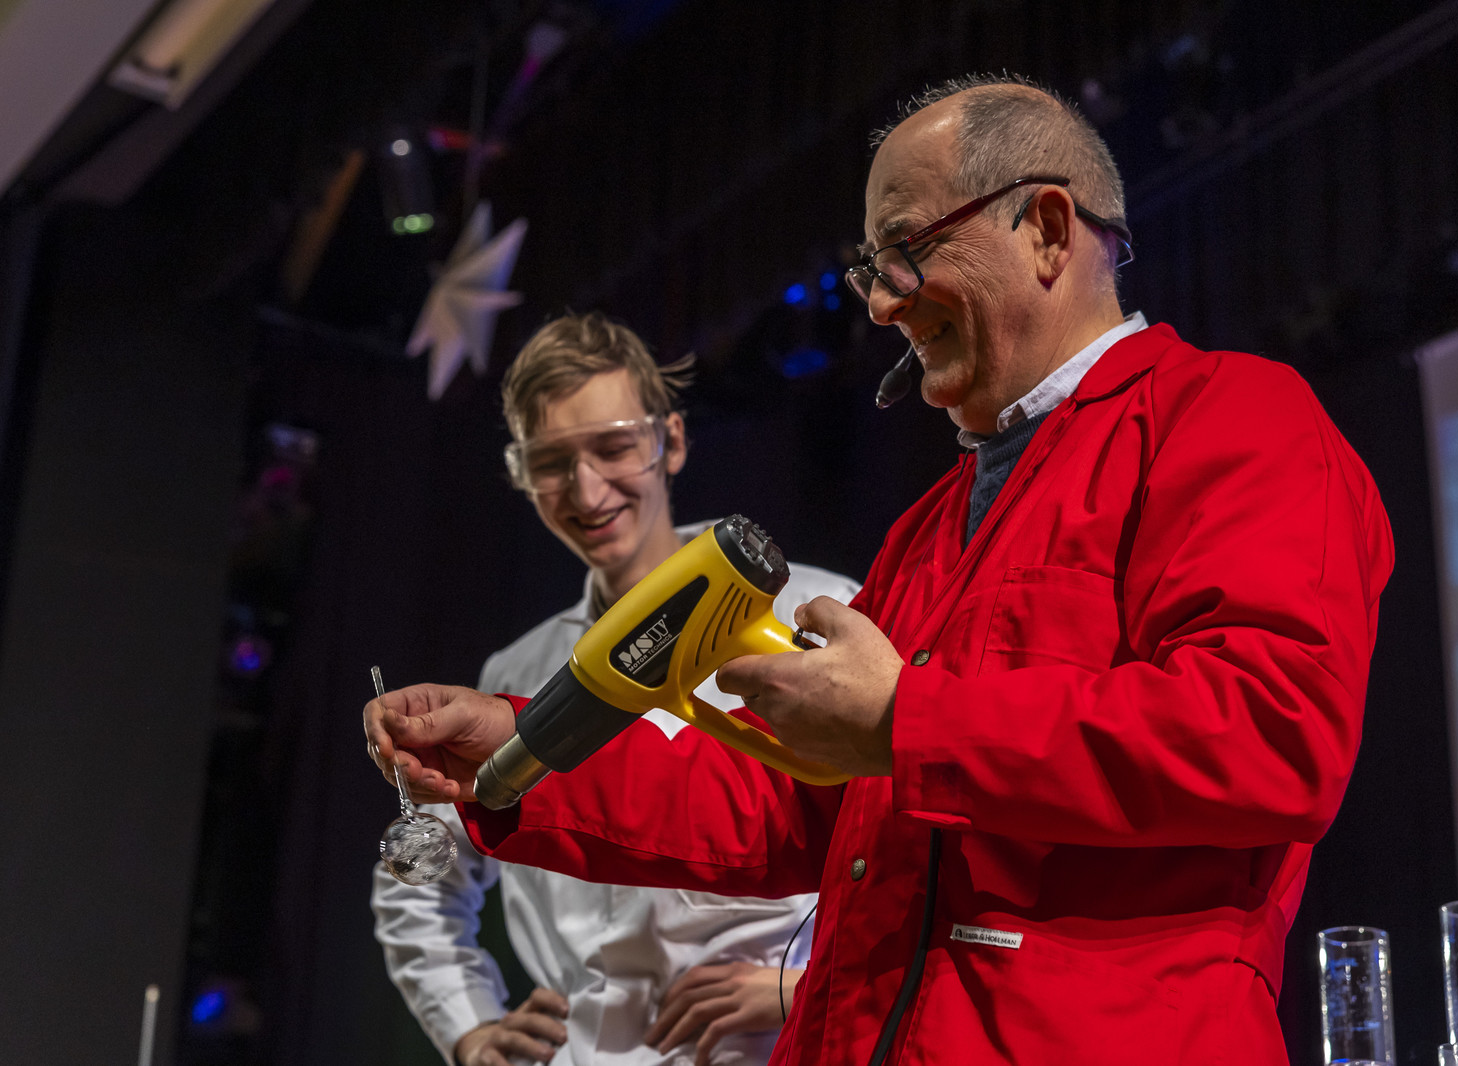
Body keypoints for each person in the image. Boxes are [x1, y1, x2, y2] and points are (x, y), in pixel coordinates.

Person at [366, 75, 1394, 1064]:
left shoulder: (1233, 417)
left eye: (906, 251)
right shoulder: (926, 529)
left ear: (1045, 229)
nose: (881, 306)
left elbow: (1272, 734)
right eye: (872, 268)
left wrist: (909, 719)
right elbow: (785, 807)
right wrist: (516, 755)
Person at [370, 311, 861, 1066]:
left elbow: (901, 836)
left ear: (671, 442)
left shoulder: (813, 610)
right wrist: (469, 1028)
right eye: (551, 462)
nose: (587, 488)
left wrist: (811, 984)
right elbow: (419, 875)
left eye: (613, 447)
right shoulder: (514, 676)